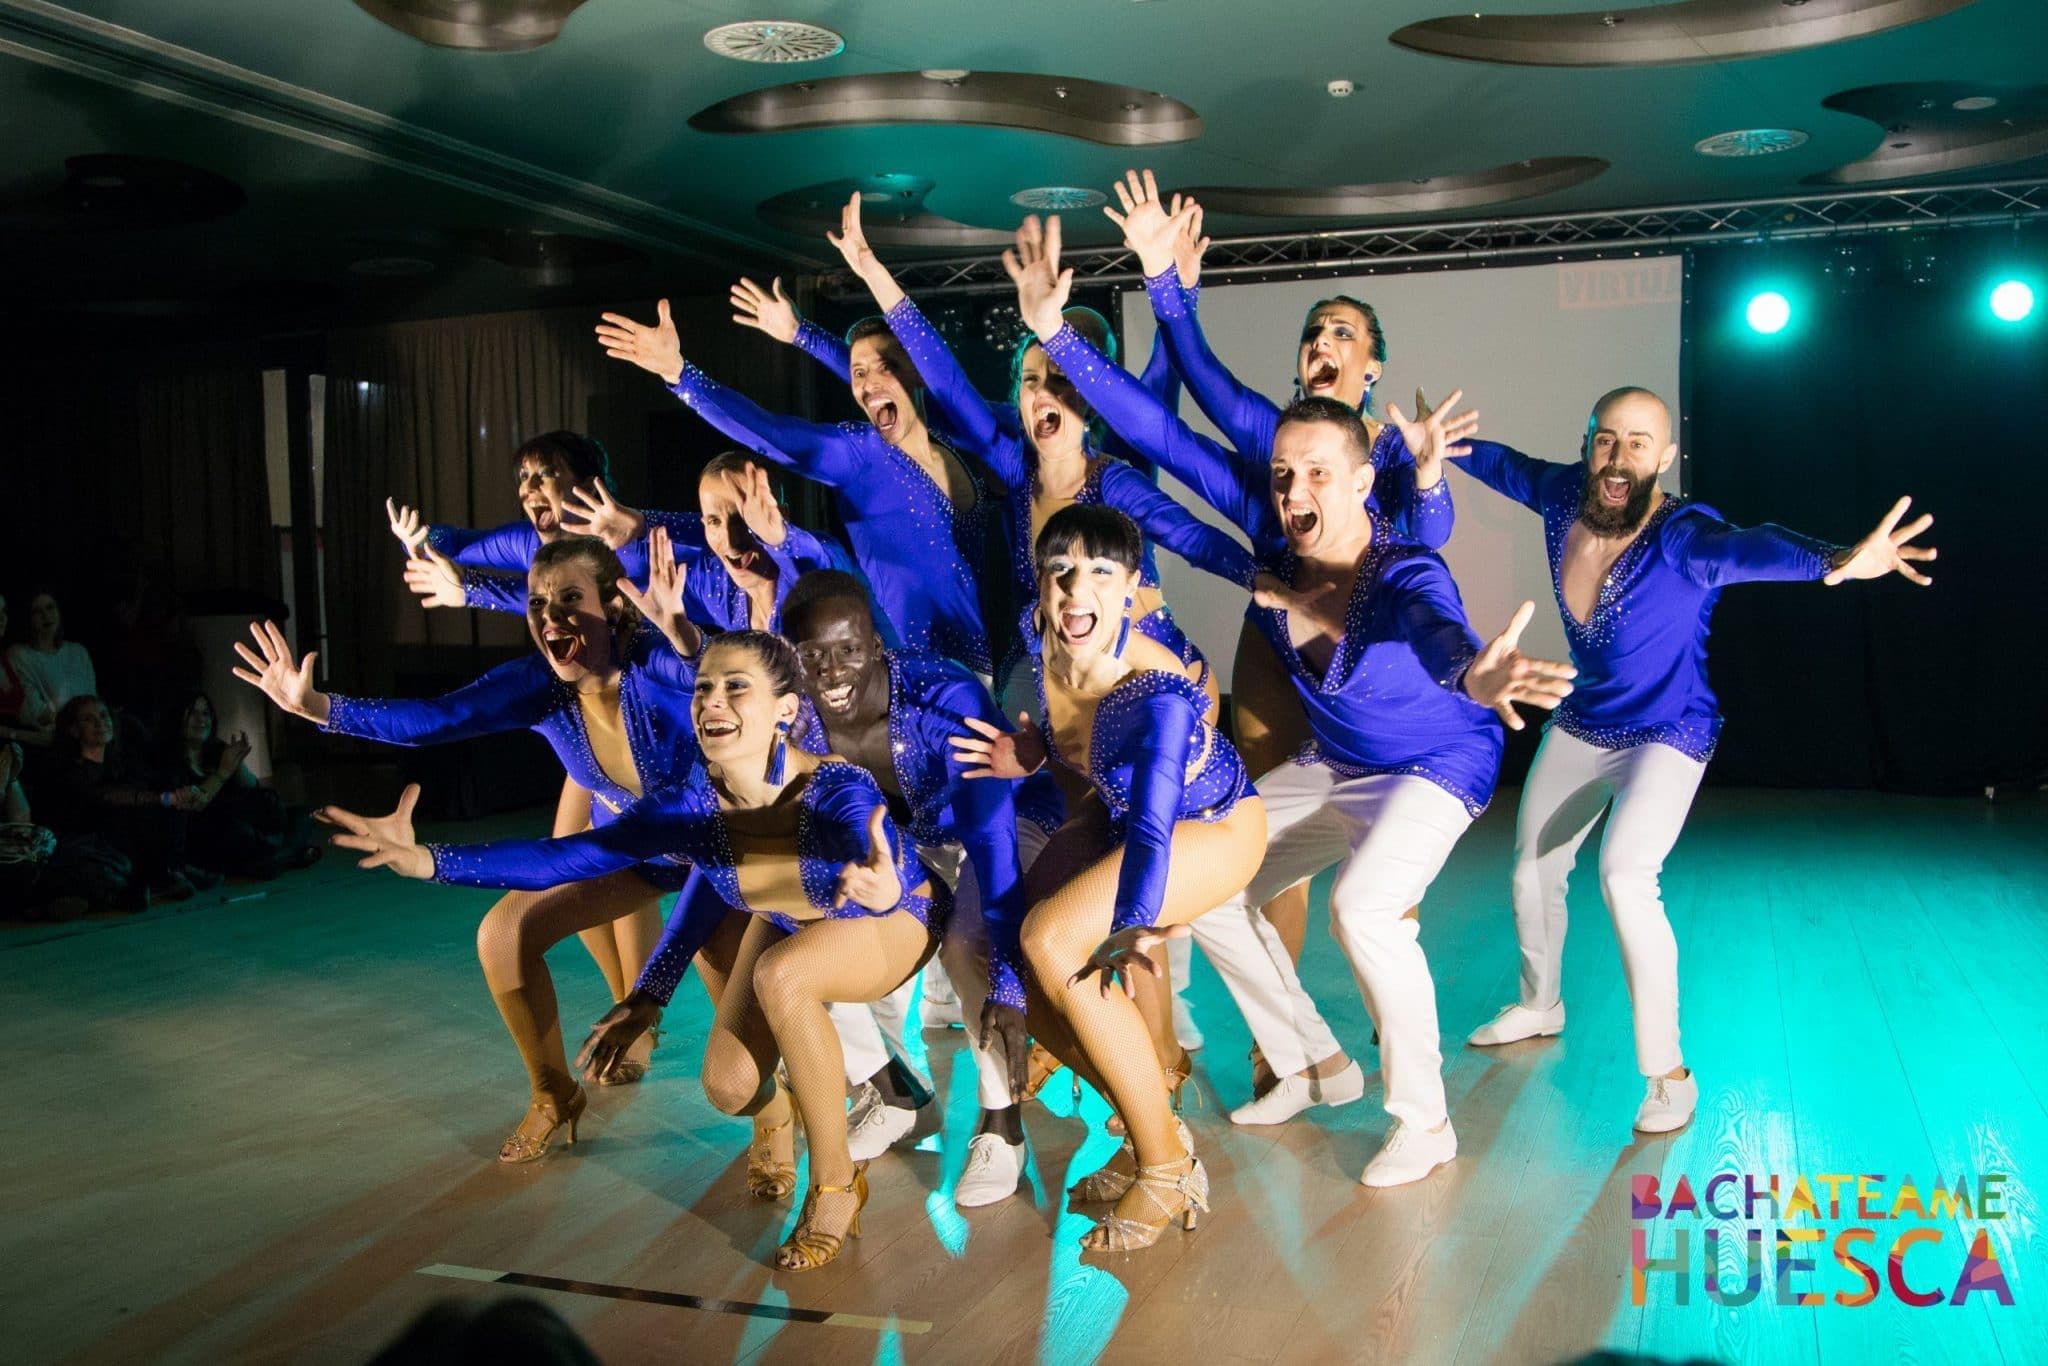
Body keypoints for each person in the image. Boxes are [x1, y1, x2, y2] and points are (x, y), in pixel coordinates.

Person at [1006, 215, 1576, 1185]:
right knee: (1206, 880)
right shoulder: (1272, 539)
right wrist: (1058, 336)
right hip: (1342, 762)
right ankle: (1316, 1055)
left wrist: (1477, 673)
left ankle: (1423, 1121)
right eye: (1282, 476)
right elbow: (1157, 433)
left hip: (1438, 764)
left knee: (1363, 908)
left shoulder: (1400, 570)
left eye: (1319, 474)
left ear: (1363, 484)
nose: (1295, 489)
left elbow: (1440, 632)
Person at [323, 631, 947, 1274]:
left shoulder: (834, 787)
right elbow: (568, 858)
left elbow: (861, 831)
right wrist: (427, 859)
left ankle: (837, 1184)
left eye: (737, 687)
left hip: (898, 915)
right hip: (792, 924)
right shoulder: (692, 806)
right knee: (730, 1089)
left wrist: (878, 886)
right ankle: (793, 1110)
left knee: (783, 975)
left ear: (786, 709)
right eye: (704, 687)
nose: (713, 701)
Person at [1453, 388, 1937, 1132]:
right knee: (1531, 867)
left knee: (1624, 875)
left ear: (1665, 457)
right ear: (1587, 445)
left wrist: (1837, 560)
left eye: (1638, 443)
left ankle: (1669, 1073)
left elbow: (1755, 545)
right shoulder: (1560, 495)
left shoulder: (1683, 535)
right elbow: (1505, 465)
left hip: (1668, 733)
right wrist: (1436, 447)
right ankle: (1538, 1002)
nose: (1619, 459)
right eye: (1606, 440)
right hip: (1584, 722)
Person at [1103, 172, 1463, 1090]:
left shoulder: (1388, 455)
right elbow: (1197, 376)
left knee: (1381, 869)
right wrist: (1164, 282)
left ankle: (1392, 1028)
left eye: (1344, 333)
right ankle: (1283, 1052)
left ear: (1373, 365)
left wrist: (1425, 480)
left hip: (1374, 664)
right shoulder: (1274, 436)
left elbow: (1427, 546)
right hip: (1277, 650)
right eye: (1314, 332)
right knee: (1258, 838)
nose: (1323, 343)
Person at [233, 535, 723, 1163]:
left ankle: (773, 1123)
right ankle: (553, 1093)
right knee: (503, 935)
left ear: (616, 607)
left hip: (720, 860)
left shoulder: (657, 663)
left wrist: (684, 633)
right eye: (539, 602)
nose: (551, 616)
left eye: (572, 598)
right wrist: (316, 706)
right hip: (629, 851)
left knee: (735, 1068)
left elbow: (717, 673)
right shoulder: (542, 686)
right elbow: (436, 718)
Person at [951, 504, 1268, 1252]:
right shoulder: (1047, 645)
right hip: (1119, 813)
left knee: (1055, 941)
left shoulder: (1157, 686)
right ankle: (1145, 1129)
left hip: (1211, 824)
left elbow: (1157, 821)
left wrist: (1132, 922)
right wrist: (1030, 760)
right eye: (1060, 572)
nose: (1074, 590)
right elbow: (1080, 761)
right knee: (1018, 960)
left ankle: (1165, 1166)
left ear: (1133, 590)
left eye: (1099, 572)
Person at [810, 192, 1233, 717]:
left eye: (1077, 365)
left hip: (1143, 675)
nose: (1053, 384)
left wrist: (1178, 288)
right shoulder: (1015, 463)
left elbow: (1189, 523)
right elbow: (932, 385)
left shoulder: (1121, 468)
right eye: (1035, 376)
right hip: (1050, 679)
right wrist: (853, 290)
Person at [781, 568, 1066, 1206]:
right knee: (813, 921)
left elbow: (990, 843)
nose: (831, 671)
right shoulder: (794, 720)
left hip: (1008, 820)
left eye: (848, 650)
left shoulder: (946, 697)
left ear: (878, 645)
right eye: (812, 656)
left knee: (969, 946)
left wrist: (1010, 983)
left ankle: (1002, 1127)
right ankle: (893, 1093)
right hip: (910, 842)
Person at [595, 292, 998, 680]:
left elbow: (897, 378)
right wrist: (682, 376)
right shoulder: (861, 452)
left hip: (982, 675)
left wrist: (804, 333)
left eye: (887, 367)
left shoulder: (960, 439)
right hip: (907, 678)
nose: (869, 382)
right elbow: (770, 433)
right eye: (858, 374)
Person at [36, 694, 209, 905]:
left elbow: (151, 786)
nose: (100, 723)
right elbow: (106, 797)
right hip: (88, 846)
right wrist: (166, 798)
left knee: (166, 801)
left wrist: (185, 794)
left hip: (126, 844)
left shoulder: (123, 762)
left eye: (103, 715)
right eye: (89, 719)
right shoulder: (70, 770)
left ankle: (174, 871)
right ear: (74, 730)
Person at [156, 691, 319, 880]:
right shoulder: (168, 760)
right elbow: (196, 803)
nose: (200, 719)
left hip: (243, 824)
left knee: (304, 815)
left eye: (205, 714)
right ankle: (282, 857)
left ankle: (278, 857)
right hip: (208, 835)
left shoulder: (216, 750)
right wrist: (223, 771)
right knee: (241, 832)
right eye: (192, 713)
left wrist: (237, 762)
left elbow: (254, 791)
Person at [8, 590, 99, 732]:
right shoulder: (20, 656)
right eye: (38, 611)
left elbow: (93, 701)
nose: (46, 616)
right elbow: (33, 714)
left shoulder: (78, 652)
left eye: (50, 607)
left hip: (90, 734)